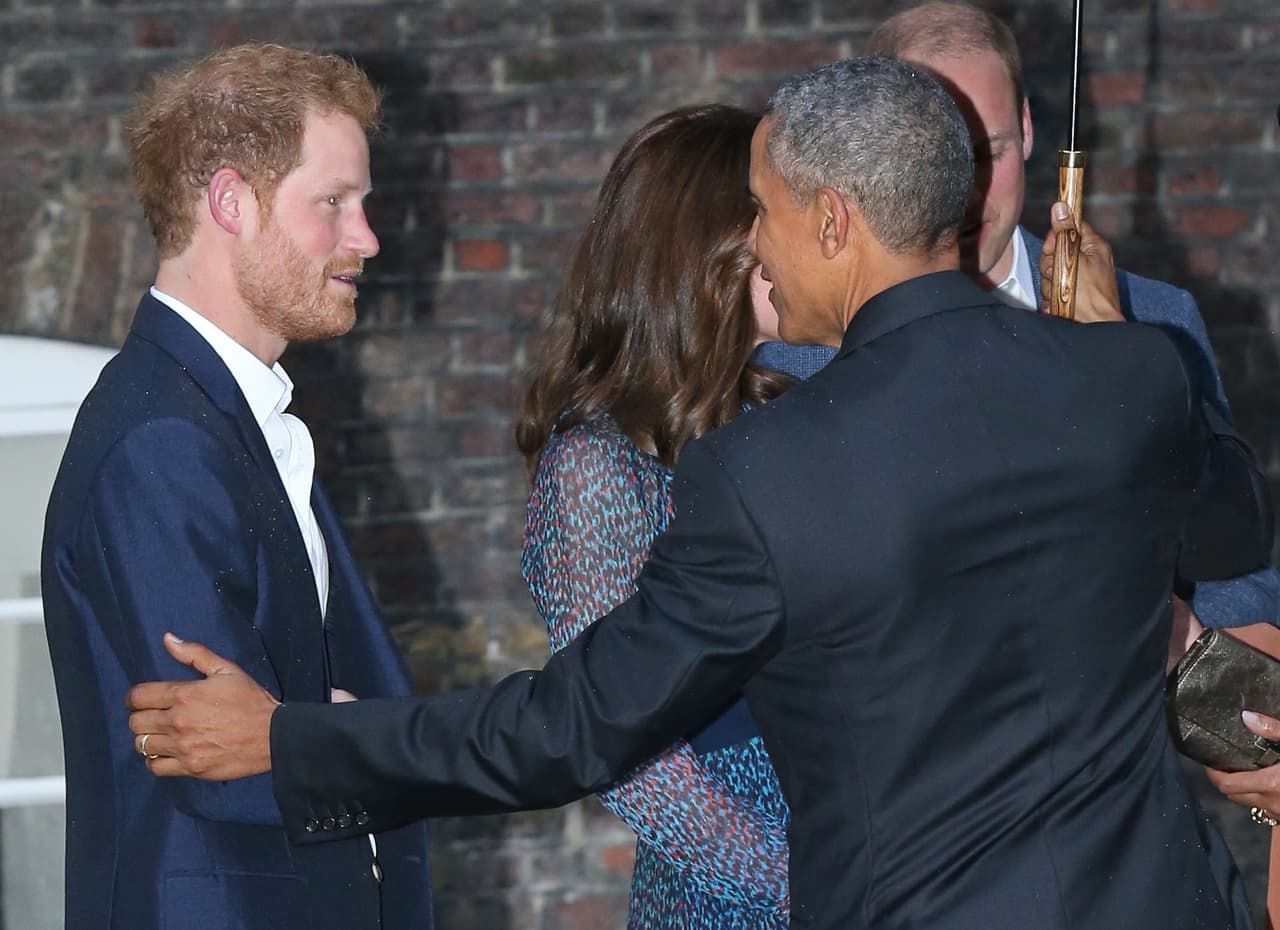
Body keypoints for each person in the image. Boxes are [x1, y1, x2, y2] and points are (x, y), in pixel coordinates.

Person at [127, 57, 1273, 930]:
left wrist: (288, 744)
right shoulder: (1131, 374)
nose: (760, 250)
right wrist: (1114, 344)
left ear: (833, 221)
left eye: (768, 212)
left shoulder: (773, 468)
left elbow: (569, 730)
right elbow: (1231, 524)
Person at [40, 43, 433, 930]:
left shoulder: (222, 416)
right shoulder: (161, 440)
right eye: (333, 203)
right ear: (231, 202)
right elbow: (225, 763)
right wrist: (386, 741)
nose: (366, 238)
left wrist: (314, 722)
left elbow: (283, 727)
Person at [857, 0, 1280, 630]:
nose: (968, 191)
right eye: (939, 160)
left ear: (1027, 130)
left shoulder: (1156, 315)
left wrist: (1175, 639)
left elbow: (1241, 565)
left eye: (990, 152)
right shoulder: (815, 346)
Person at [516, 104, 796, 929]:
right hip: (731, 881)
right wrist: (799, 884)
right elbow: (627, 756)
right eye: (775, 213)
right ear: (710, 246)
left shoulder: (778, 420)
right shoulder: (597, 469)